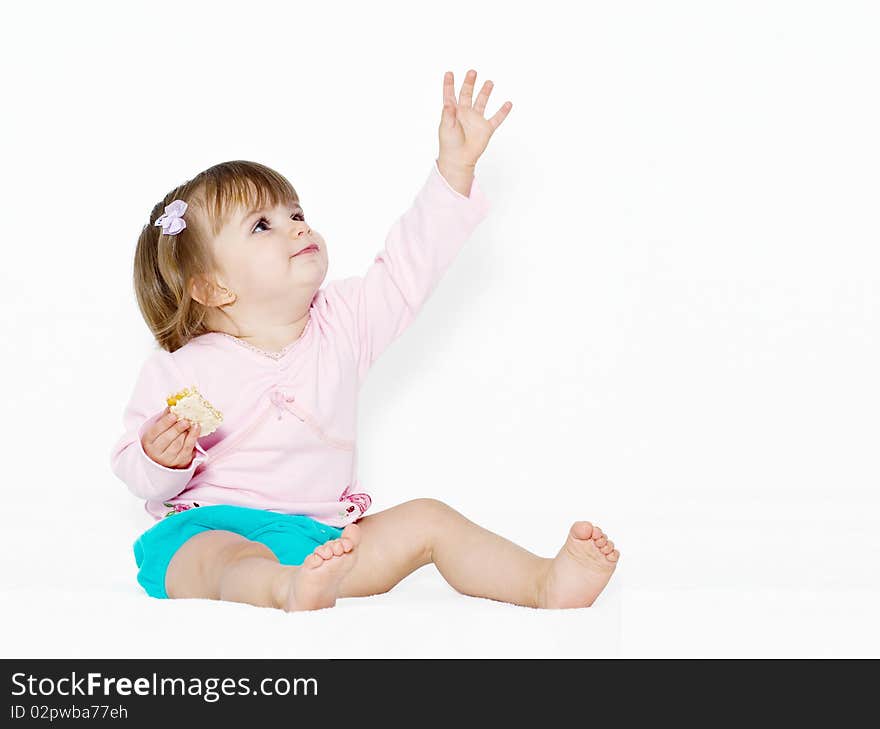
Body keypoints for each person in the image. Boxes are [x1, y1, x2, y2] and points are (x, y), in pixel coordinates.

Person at [110, 68, 619, 612]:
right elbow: (136, 473)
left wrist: (454, 169)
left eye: (296, 213)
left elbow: (408, 267)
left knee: (429, 518)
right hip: (208, 529)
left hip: (322, 543)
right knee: (220, 558)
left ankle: (543, 584)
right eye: (263, 226)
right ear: (211, 287)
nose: (297, 227)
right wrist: (158, 458)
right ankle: (281, 589)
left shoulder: (344, 321)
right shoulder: (181, 368)